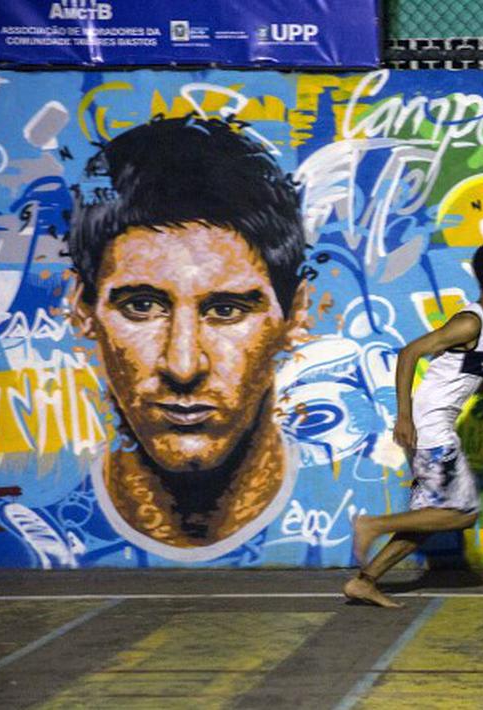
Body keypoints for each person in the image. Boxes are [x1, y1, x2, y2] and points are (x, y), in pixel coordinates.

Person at [67, 115, 309, 561]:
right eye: (141, 306)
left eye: (225, 310)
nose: (183, 365)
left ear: (295, 314)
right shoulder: (37, 524)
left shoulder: (349, 503)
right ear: (83, 310)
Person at [345, 243, 483, 607]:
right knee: (461, 514)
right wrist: (404, 416)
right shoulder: (469, 322)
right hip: (431, 428)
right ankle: (372, 525)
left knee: (426, 521)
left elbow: (471, 380)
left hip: (430, 427)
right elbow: (409, 352)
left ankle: (365, 581)